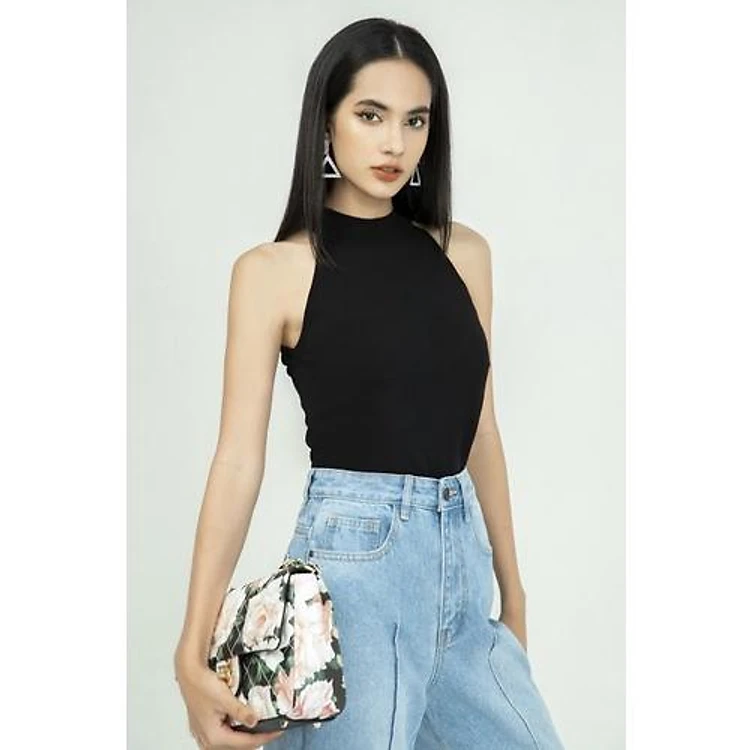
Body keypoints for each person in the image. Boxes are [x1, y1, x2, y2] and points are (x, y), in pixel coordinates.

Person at [174, 16, 566, 750]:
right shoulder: (273, 272)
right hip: (356, 572)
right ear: (326, 121)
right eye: (370, 115)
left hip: (462, 573)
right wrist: (191, 647)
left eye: (415, 120)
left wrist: (513, 591)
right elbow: (237, 459)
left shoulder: (464, 254)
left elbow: (480, 429)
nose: (395, 143)